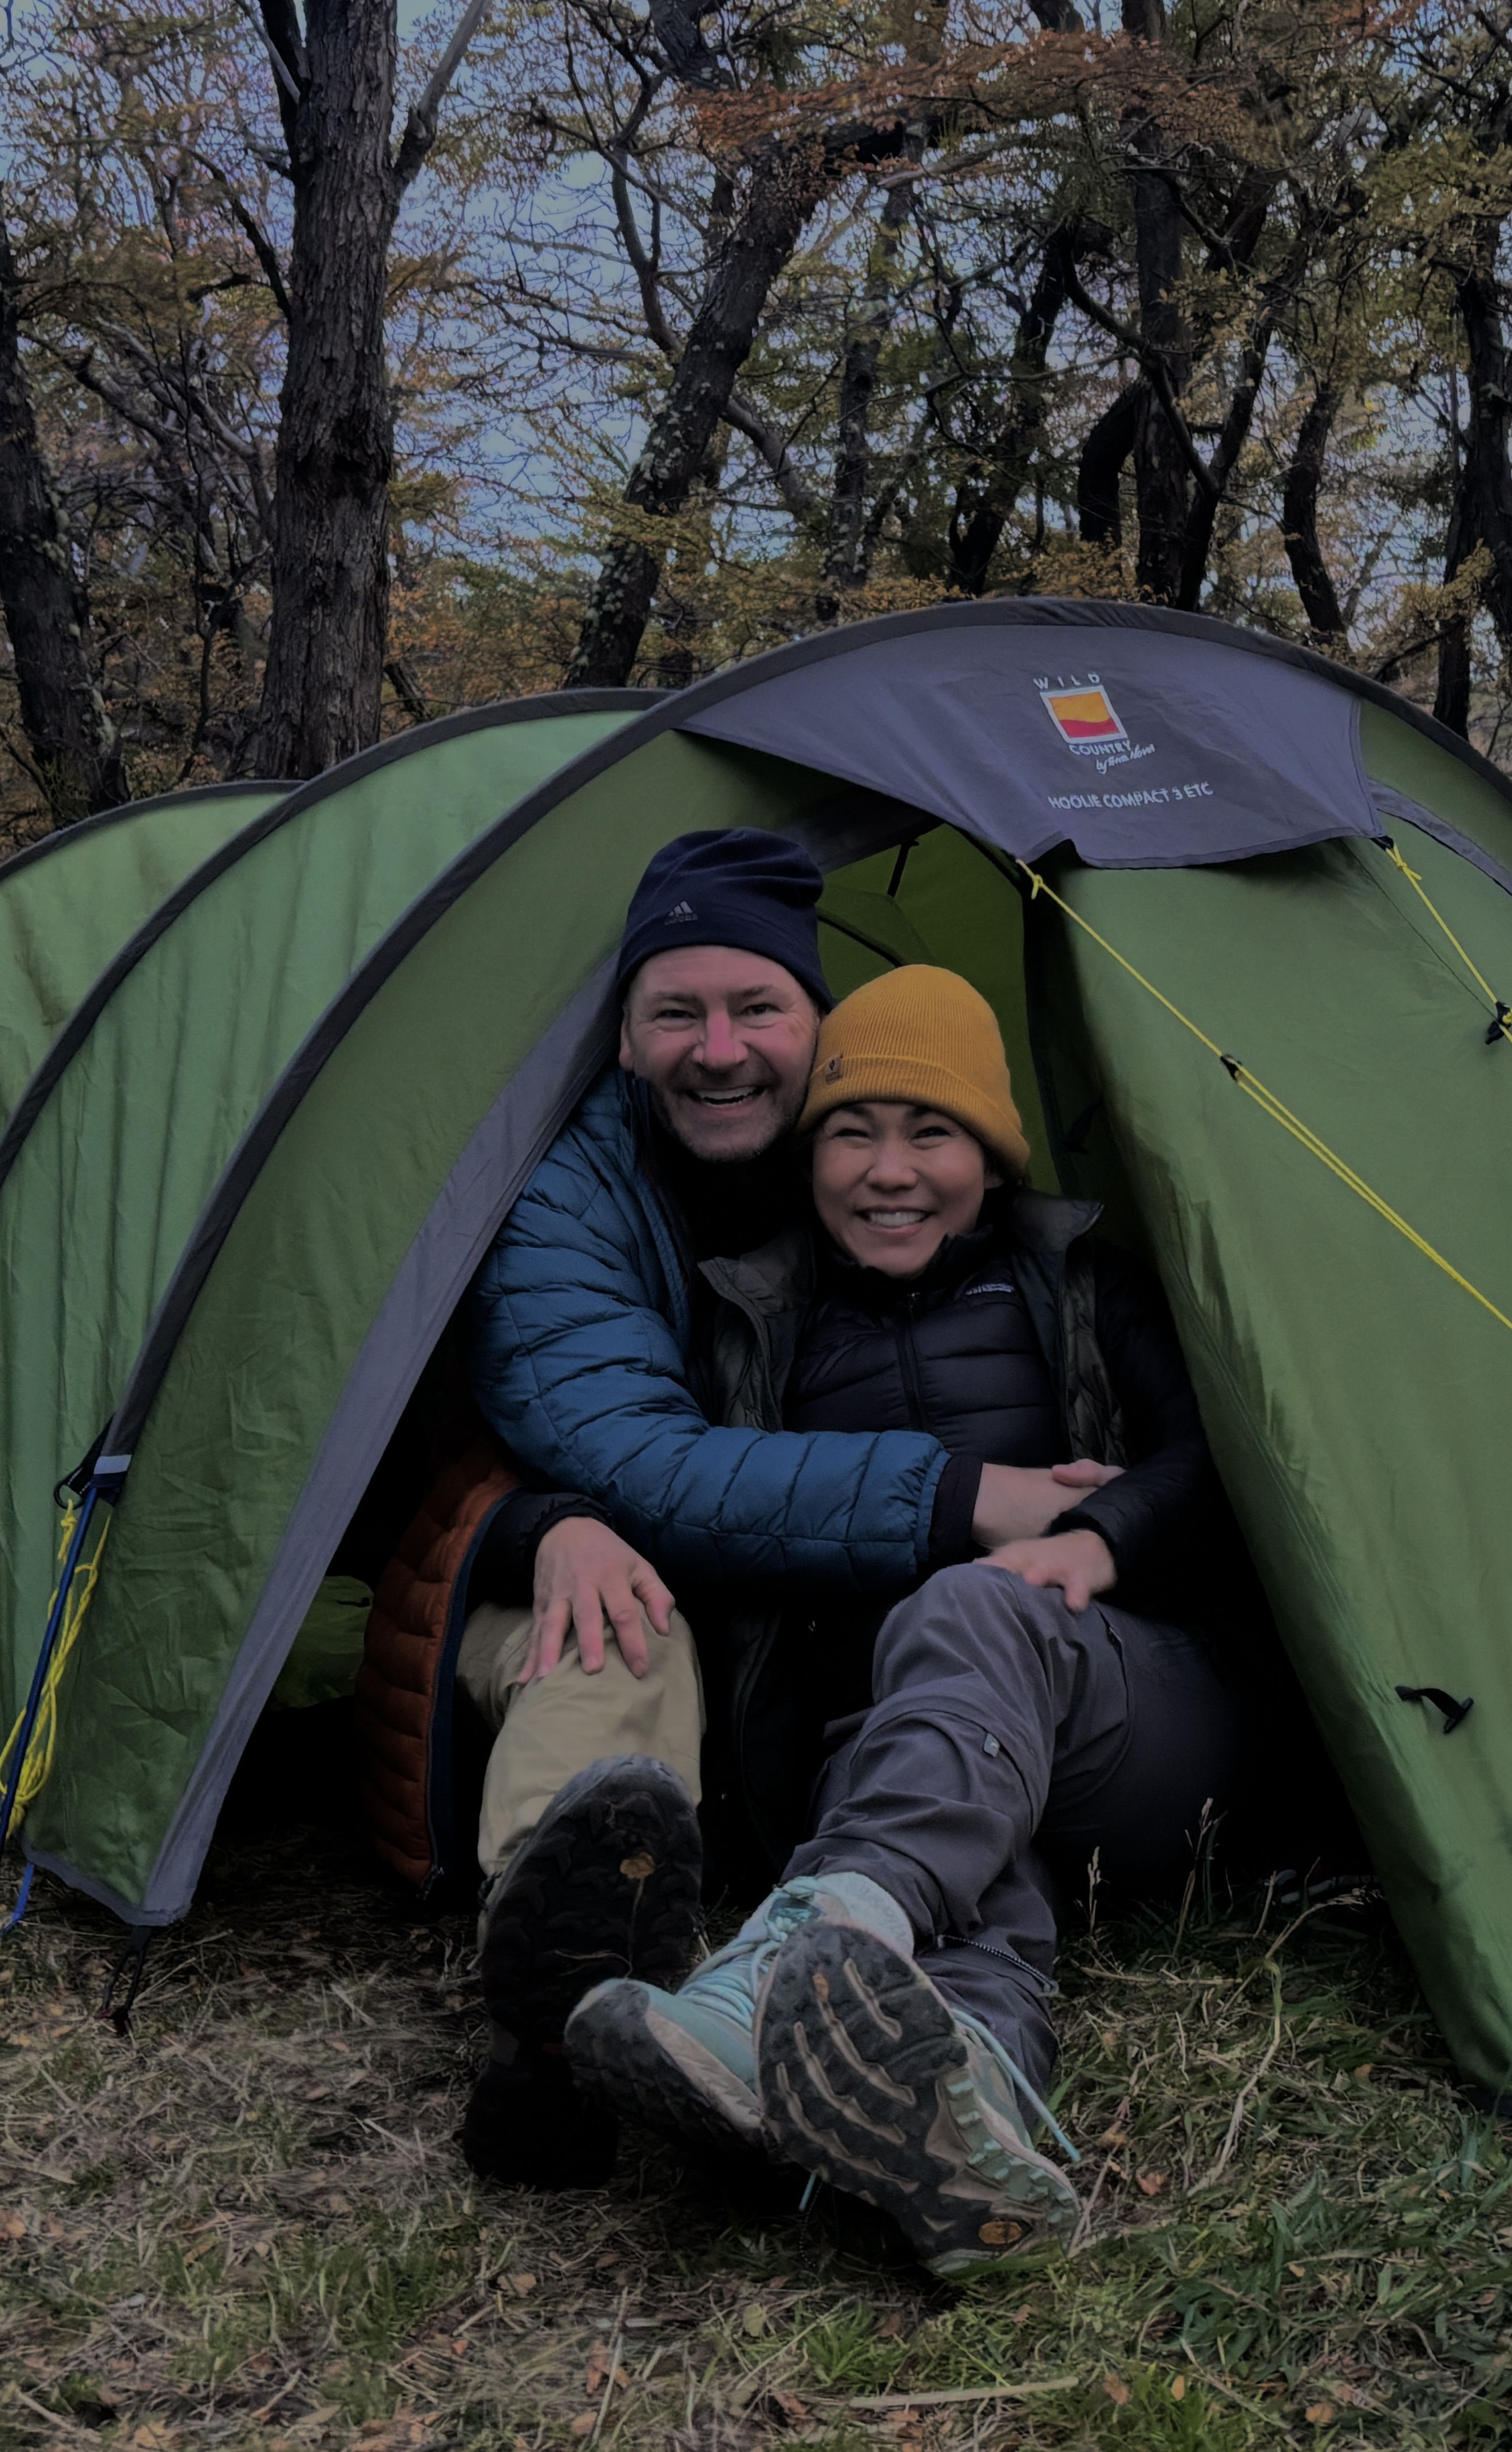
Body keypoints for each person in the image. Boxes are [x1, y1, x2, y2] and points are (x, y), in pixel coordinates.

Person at [449, 834, 1127, 2192]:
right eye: (675, 1013)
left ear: (818, 1030)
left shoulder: (915, 1211)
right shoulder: (566, 1190)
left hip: (907, 1651)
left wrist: (1104, 1528)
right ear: (625, 1040)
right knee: (617, 1623)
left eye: (757, 1006)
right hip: (584, 1560)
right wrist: (543, 1525)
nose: (719, 1049)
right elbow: (629, 1454)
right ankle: (558, 2015)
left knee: (939, 1731)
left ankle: (949, 2084)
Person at [560, 962, 1245, 2274]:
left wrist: (1101, 1542)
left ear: (991, 1155)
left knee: (975, 1609)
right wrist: (558, 1526)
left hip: (1125, 1710)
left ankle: (780, 1968)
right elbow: (666, 1472)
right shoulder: (757, 1321)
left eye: (931, 1131)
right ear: (808, 1159)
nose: (889, 1170)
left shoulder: (1084, 1283)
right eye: (851, 1133)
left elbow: (1222, 1456)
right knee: (959, 1856)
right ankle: (969, 2117)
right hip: (898, 1749)